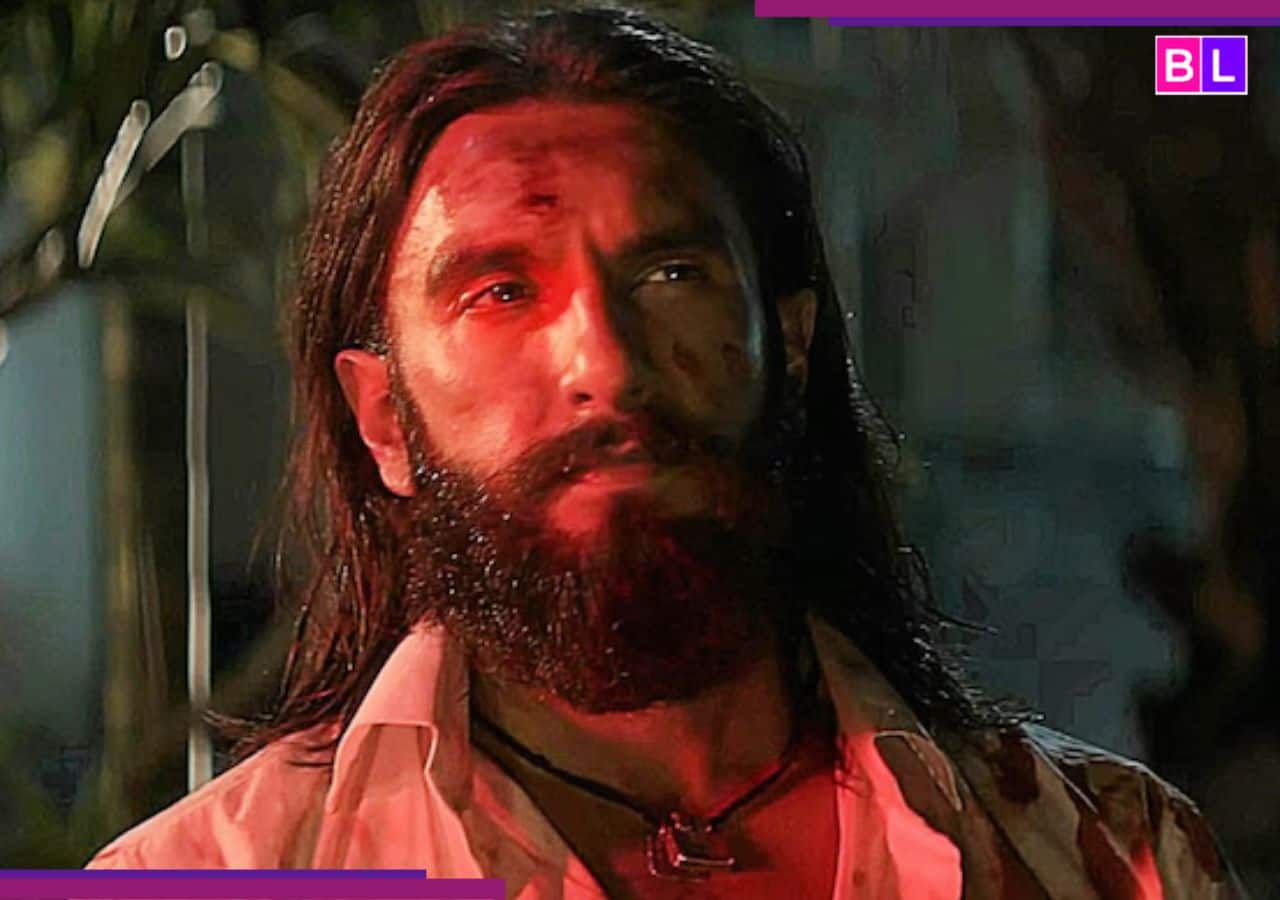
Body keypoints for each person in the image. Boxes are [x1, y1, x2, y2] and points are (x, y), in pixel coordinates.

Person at [88, 7, 1244, 898]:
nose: (606, 363)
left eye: (670, 274)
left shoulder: (1107, 860)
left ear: (788, 347)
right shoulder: (200, 877)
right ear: (383, 419)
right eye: (501, 292)